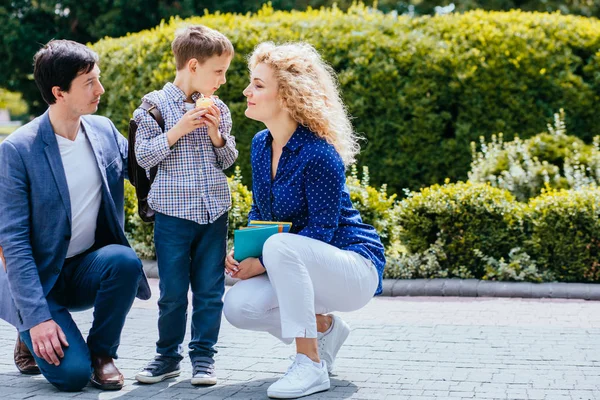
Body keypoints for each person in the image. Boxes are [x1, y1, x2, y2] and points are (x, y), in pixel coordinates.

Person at [222, 42, 386, 399]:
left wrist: (262, 262)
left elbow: (322, 233)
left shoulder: (319, 153)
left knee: (281, 247)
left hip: (352, 265)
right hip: (296, 261)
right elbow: (262, 214)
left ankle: (310, 364)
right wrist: (243, 252)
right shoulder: (262, 144)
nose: (247, 91)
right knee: (238, 307)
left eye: (259, 85)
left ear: (287, 96)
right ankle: (325, 327)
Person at [0, 39, 151, 392]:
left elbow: (147, 174)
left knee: (125, 261)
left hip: (86, 268)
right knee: (71, 377)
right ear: (59, 92)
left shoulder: (102, 130)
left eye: (97, 79)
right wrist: (37, 320)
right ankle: (31, 328)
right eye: (89, 83)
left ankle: (102, 354)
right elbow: (15, 243)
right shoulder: (17, 151)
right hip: (37, 280)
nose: (100, 89)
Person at [133, 25, 238, 386]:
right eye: (219, 71)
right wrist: (178, 129)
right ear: (193, 65)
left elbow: (228, 159)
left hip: (214, 212)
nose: (223, 80)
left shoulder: (219, 108)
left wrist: (215, 134)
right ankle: (167, 357)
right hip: (173, 215)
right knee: (173, 294)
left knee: (210, 291)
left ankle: (204, 359)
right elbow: (144, 155)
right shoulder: (152, 107)